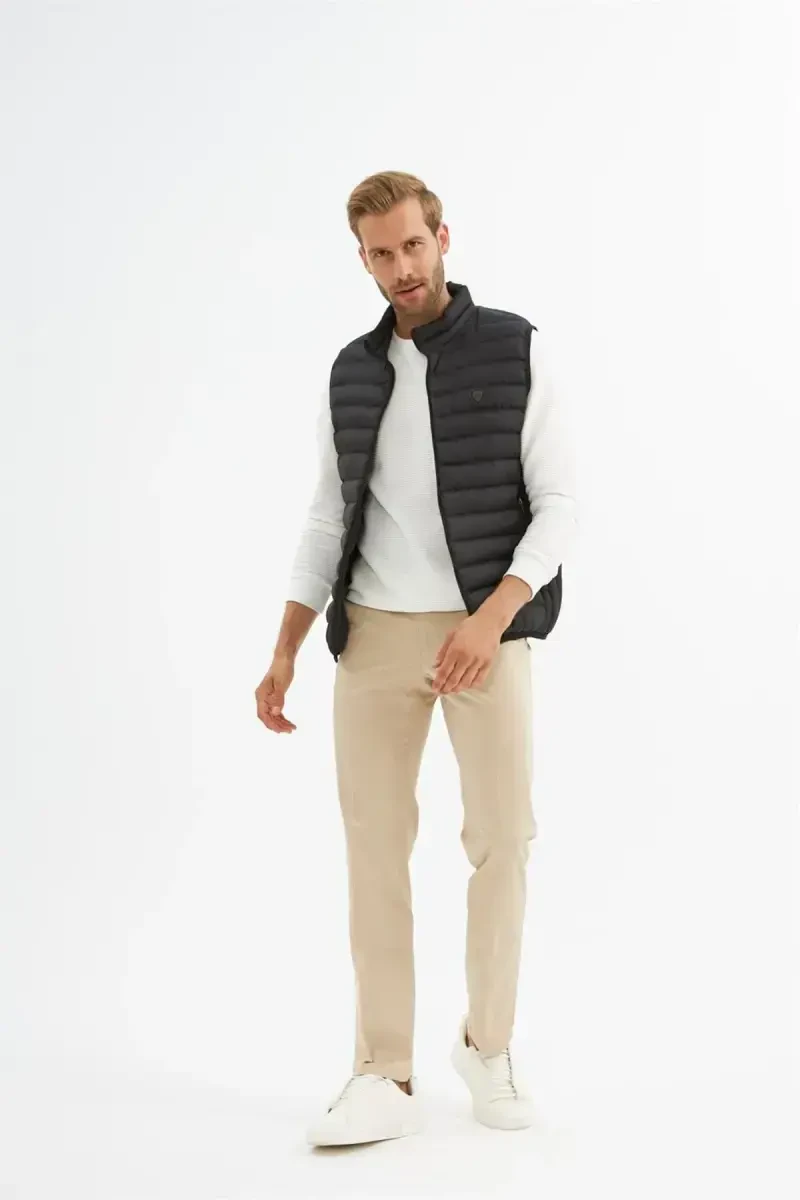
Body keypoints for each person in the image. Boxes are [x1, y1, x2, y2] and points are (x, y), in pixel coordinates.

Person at [255, 171, 578, 1146]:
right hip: (375, 634)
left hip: (486, 630)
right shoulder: (351, 373)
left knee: (502, 840)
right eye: (380, 254)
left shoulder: (516, 347)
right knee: (374, 847)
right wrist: (285, 648)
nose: (400, 267)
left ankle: (487, 1046)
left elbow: (558, 506)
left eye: (412, 245)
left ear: (442, 237)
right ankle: (382, 1071)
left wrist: (489, 620)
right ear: (360, 260)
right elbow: (326, 515)